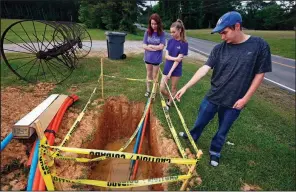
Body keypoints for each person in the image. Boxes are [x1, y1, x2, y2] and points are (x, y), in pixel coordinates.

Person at [175, 11, 272, 167]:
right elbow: (204, 68)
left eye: (225, 32)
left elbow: (260, 74)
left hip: (235, 101)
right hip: (213, 96)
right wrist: (186, 86)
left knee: (223, 130)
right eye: (220, 33)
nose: (222, 37)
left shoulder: (259, 46)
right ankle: (192, 136)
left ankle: (215, 152)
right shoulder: (219, 49)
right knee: (201, 120)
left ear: (237, 26)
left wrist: (245, 99)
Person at [160, 19, 188, 110]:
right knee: (161, 88)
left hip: (176, 70)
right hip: (167, 67)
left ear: (180, 30)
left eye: (173, 32)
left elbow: (177, 61)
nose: (171, 34)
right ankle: (171, 96)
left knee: (173, 87)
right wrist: (175, 58)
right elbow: (166, 56)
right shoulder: (170, 41)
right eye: (170, 32)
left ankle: (169, 103)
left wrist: (170, 73)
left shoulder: (184, 44)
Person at [142, 13, 166, 97]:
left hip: (157, 59)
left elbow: (161, 46)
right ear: (150, 23)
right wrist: (154, 48)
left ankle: (154, 92)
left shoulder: (162, 33)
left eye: (155, 24)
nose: (154, 25)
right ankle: (148, 90)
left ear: (158, 23)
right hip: (148, 57)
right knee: (148, 74)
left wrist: (151, 46)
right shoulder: (147, 32)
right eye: (152, 23)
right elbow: (144, 45)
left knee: (155, 76)